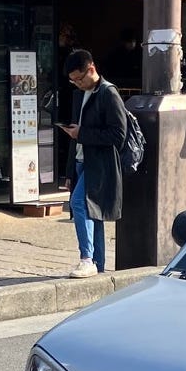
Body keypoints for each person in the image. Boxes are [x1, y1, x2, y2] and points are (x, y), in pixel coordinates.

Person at [58, 50, 126, 278]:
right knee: (92, 212)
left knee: (79, 204)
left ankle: (86, 258)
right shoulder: (79, 95)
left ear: (92, 69)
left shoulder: (108, 93)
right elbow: (75, 135)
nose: (78, 84)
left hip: (100, 163)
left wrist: (83, 134)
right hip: (80, 160)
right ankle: (98, 263)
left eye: (80, 79)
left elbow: (118, 135)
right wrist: (69, 172)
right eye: (73, 81)